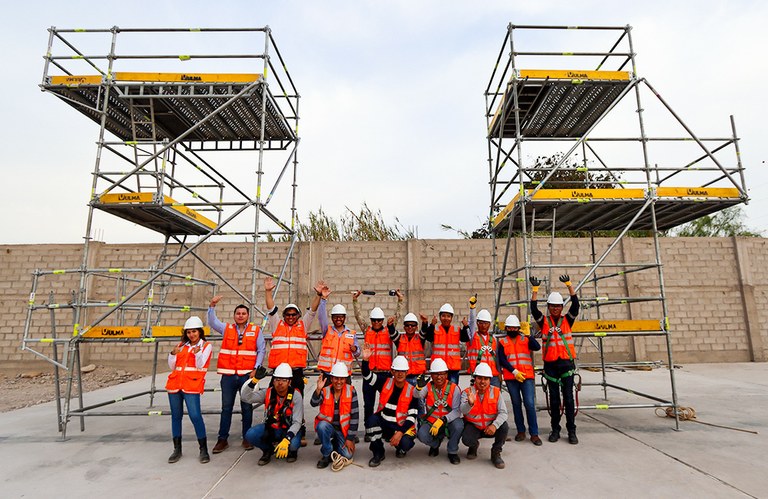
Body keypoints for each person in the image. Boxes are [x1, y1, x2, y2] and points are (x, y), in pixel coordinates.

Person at [208, 296, 266, 454]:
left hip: (246, 375)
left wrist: (256, 368)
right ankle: (222, 439)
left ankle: (247, 437)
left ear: (248, 316)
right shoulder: (227, 328)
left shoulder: (255, 331)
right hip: (228, 375)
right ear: (234, 315)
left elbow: (261, 350)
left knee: (246, 407)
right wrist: (212, 306)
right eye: (238, 313)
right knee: (226, 408)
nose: (240, 315)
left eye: (243, 313)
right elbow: (212, 322)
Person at [530, 274, 580, 445]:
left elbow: (576, 305)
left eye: (558, 306)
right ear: (549, 307)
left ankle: (571, 431)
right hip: (551, 366)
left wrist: (569, 285)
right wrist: (535, 290)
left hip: (566, 365)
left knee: (569, 399)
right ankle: (555, 430)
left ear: (561, 307)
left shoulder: (568, 320)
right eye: (552, 306)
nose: (555, 308)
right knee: (554, 400)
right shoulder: (544, 322)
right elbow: (534, 310)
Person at [352, 289, 403, 441]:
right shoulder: (366, 330)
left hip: (384, 374)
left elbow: (397, 316)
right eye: (374, 320)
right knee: (368, 404)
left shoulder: (388, 332)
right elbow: (358, 316)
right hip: (369, 374)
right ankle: (369, 431)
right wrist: (355, 300)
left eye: (379, 320)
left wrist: (400, 301)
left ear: (382, 320)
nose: (376, 323)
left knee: (387, 403)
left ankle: (386, 428)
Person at [165, 316, 213, 464]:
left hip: (191, 386)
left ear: (200, 332)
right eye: (189, 332)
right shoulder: (181, 345)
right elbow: (172, 366)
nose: (191, 335)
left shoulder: (206, 346)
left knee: (195, 416)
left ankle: (203, 449)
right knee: (176, 417)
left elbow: (200, 365)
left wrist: (197, 353)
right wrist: (172, 354)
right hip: (175, 385)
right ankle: (177, 449)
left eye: (194, 331)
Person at [240, 362, 304, 465]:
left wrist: (287, 439)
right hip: (272, 428)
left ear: (289, 382)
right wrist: (254, 381)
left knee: (293, 444)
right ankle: (268, 450)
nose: (280, 383)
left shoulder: (296, 396)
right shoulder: (268, 393)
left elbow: (297, 422)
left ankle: (292, 451)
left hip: (289, 429)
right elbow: (245, 398)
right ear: (273, 381)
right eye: (277, 379)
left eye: (284, 380)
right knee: (250, 434)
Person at [362, 352, 419, 467]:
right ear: (392, 371)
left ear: (407, 372)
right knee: (371, 421)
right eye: (397, 371)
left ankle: (400, 448)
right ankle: (378, 452)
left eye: (402, 371)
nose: (400, 374)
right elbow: (367, 376)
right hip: (385, 423)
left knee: (405, 443)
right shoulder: (384, 382)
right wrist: (365, 360)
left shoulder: (412, 391)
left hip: (401, 426)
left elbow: (412, 417)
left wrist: (400, 432)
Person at [498, 314, 542, 446]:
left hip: (526, 377)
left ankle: (534, 434)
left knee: (529, 404)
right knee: (516, 404)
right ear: (506, 328)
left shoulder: (525, 339)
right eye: (509, 328)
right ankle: (521, 431)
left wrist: (529, 336)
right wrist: (514, 371)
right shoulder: (503, 342)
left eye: (514, 328)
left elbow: (537, 347)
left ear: (518, 328)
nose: (512, 330)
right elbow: (502, 359)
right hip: (511, 377)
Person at [310, 361, 360, 469]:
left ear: (345, 379)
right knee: (322, 426)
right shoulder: (325, 390)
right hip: (328, 428)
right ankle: (327, 454)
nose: (339, 382)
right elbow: (313, 403)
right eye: (336, 378)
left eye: (342, 379)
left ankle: (335, 443)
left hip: (343, 431)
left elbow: (355, 417)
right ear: (331, 379)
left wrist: (350, 438)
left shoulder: (351, 391)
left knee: (347, 455)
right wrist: (318, 390)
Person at [414, 358, 463, 464]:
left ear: (446, 374)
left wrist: (444, 419)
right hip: (432, 421)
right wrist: (418, 388)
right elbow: (417, 395)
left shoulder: (454, 388)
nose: (439, 377)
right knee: (422, 434)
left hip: (449, 421)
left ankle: (452, 451)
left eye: (442, 374)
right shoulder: (428, 387)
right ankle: (435, 444)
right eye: (436, 374)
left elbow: (457, 411)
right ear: (431, 375)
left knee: (459, 426)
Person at [460, 362, 509, 469]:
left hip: (490, 427)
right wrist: (470, 403)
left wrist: (494, 425)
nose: (482, 381)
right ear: (475, 379)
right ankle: (473, 446)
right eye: (479, 378)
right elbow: (462, 410)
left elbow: (503, 413)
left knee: (504, 426)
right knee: (466, 439)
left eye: (486, 379)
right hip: (474, 426)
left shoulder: (496, 392)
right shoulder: (467, 392)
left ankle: (496, 452)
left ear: (490, 380)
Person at [420, 303, 470, 385]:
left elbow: (465, 338)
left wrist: (465, 327)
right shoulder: (435, 329)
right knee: (438, 390)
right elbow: (428, 337)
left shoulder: (456, 330)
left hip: (453, 368)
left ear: (451, 318)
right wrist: (432, 325)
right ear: (440, 317)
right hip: (438, 368)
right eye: (443, 316)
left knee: (452, 390)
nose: (446, 318)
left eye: (448, 316)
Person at [466, 304, 502, 387]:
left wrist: (500, 372)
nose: (483, 326)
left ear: (489, 324)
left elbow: (497, 358)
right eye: (481, 323)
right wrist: (472, 308)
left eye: (486, 323)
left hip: (493, 375)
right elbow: (471, 323)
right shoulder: (473, 337)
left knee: (494, 395)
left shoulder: (493, 339)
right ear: (477, 323)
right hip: (479, 374)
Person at [388, 313, 427, 384]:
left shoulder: (420, 338)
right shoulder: (399, 339)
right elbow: (392, 333)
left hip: (418, 376)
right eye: (407, 325)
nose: (410, 327)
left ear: (416, 327)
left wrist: (425, 322)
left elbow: (424, 331)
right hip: (404, 376)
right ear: (404, 327)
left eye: (413, 325)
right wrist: (390, 325)